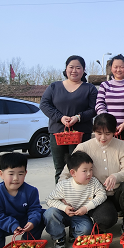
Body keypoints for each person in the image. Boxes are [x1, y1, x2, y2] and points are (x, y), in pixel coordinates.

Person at [59, 113, 124, 233]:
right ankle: (97, 221)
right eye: (99, 133)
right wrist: (63, 194)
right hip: (97, 196)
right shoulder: (84, 147)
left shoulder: (121, 145)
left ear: (114, 131)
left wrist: (115, 176)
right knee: (106, 220)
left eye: (108, 134)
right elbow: (66, 173)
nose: (103, 138)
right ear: (94, 131)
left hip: (117, 194)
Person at [40, 55, 97, 184]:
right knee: (60, 168)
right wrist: (60, 117)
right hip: (58, 132)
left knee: (80, 168)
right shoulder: (54, 87)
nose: (74, 70)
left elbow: (94, 109)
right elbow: (44, 105)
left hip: (81, 134)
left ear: (83, 70)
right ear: (66, 69)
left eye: (78, 67)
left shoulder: (89, 88)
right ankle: (61, 199)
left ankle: (79, 199)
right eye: (71, 67)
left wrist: (78, 117)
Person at [43, 151, 107, 248]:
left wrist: (86, 208)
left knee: (87, 229)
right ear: (73, 173)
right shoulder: (64, 185)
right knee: (50, 213)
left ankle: (74, 232)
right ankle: (58, 237)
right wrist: (64, 207)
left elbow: (102, 195)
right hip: (63, 214)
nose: (89, 174)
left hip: (80, 215)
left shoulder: (93, 182)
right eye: (84, 171)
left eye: (91, 170)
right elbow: (49, 200)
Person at [95, 54, 124, 145]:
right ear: (111, 68)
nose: (118, 70)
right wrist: (108, 123)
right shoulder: (105, 85)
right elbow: (99, 104)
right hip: (108, 130)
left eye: (121, 67)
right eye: (116, 67)